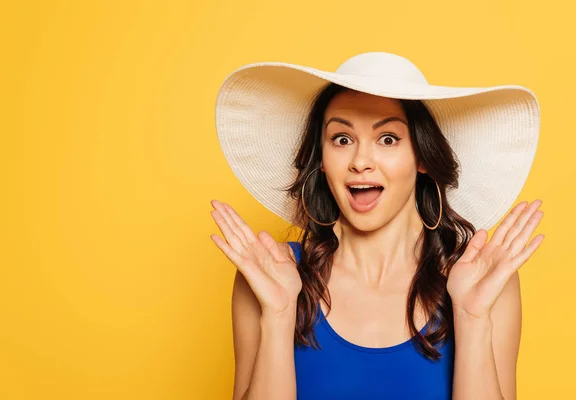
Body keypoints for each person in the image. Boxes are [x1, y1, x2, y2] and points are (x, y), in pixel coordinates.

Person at [210, 52, 544, 400]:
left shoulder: (482, 281)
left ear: (423, 158)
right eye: (342, 139)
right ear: (322, 160)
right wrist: (278, 316)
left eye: (387, 139)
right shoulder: (270, 276)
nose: (360, 162)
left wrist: (472, 318)